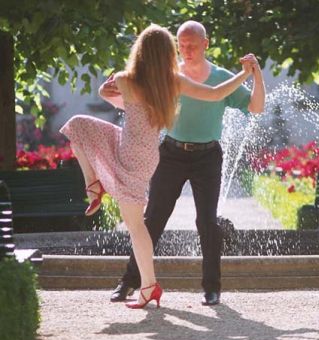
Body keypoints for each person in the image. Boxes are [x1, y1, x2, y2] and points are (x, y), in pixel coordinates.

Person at [60, 24, 255, 309]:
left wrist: (103, 88)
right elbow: (214, 94)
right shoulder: (170, 81)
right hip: (159, 154)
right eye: (178, 46)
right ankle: (135, 282)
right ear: (168, 52)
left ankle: (199, 288)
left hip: (175, 154)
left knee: (201, 222)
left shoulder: (138, 79)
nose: (183, 51)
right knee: (146, 222)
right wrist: (245, 74)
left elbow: (111, 96)